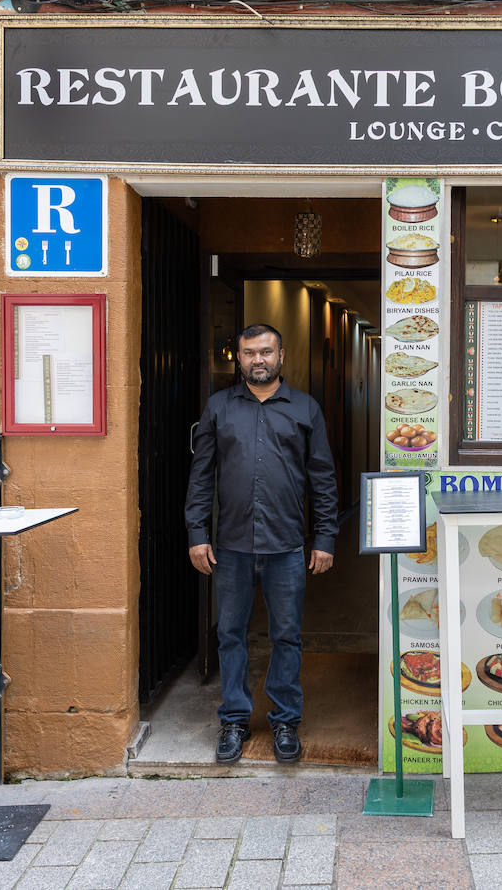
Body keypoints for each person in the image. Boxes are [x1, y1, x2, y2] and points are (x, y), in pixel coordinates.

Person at [184, 323, 338, 764]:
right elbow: (201, 478)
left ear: (281, 356)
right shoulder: (219, 408)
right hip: (230, 546)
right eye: (250, 353)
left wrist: (325, 537)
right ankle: (234, 719)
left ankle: (286, 720)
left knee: (286, 636)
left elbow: (323, 479)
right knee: (231, 635)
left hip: (287, 547)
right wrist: (197, 534)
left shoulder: (305, 409)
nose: (258, 360)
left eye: (266, 352)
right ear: (239, 357)